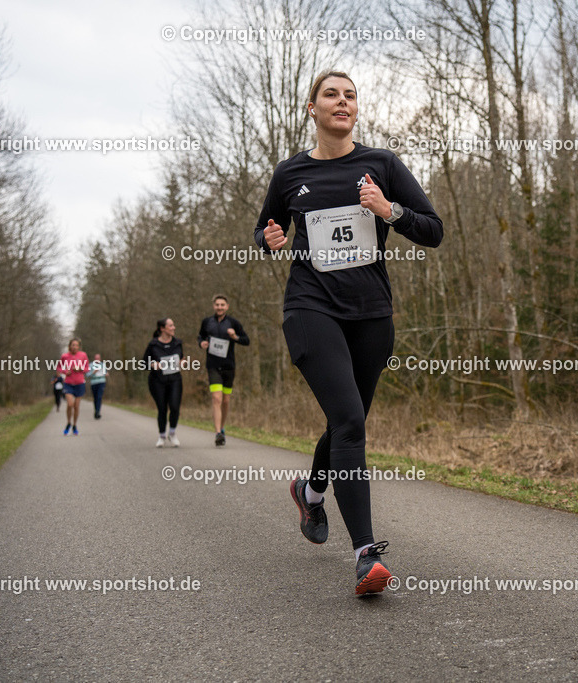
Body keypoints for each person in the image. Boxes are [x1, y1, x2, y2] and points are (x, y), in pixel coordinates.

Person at [255, 70, 443, 595]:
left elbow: (434, 230)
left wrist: (391, 211)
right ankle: (365, 554)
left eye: (350, 95)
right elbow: (265, 227)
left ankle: (311, 491)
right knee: (349, 421)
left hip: (371, 314)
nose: (343, 101)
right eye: (331, 95)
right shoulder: (289, 173)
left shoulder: (381, 165)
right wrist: (268, 237)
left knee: (349, 422)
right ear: (311, 108)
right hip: (310, 307)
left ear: (356, 110)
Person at [197, 295, 249, 446]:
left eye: (222, 305)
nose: (219, 307)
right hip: (213, 366)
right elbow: (200, 336)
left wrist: (235, 336)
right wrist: (202, 343)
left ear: (227, 306)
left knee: (225, 401)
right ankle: (218, 433)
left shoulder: (233, 322)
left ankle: (222, 427)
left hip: (229, 367)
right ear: (213, 306)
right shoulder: (207, 322)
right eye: (217, 305)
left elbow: (247, 341)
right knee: (216, 399)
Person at [144, 318, 183, 447]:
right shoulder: (153, 344)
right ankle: (162, 435)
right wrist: (152, 364)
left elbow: (181, 357)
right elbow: (144, 363)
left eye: (173, 325)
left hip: (175, 380)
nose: (174, 327)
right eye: (171, 325)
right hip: (157, 381)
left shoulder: (177, 343)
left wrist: (183, 362)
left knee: (175, 407)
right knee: (162, 409)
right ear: (162, 328)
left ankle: (172, 433)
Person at [59, 339, 88, 435]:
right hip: (68, 383)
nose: (74, 347)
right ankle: (68, 423)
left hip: (80, 383)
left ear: (79, 347)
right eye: (73, 345)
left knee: (76, 406)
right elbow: (59, 367)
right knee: (70, 404)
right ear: (70, 346)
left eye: (76, 345)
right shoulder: (65, 356)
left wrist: (80, 369)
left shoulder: (83, 355)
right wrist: (65, 372)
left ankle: (74, 425)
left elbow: (87, 368)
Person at [86, 353, 108, 419]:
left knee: (99, 397)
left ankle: (98, 411)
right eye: (96, 358)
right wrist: (94, 372)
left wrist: (106, 374)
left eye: (98, 358)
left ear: (100, 359)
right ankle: (96, 410)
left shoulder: (102, 364)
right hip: (94, 382)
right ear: (94, 359)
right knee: (95, 397)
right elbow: (87, 375)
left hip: (102, 382)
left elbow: (105, 372)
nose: (97, 360)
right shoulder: (90, 365)